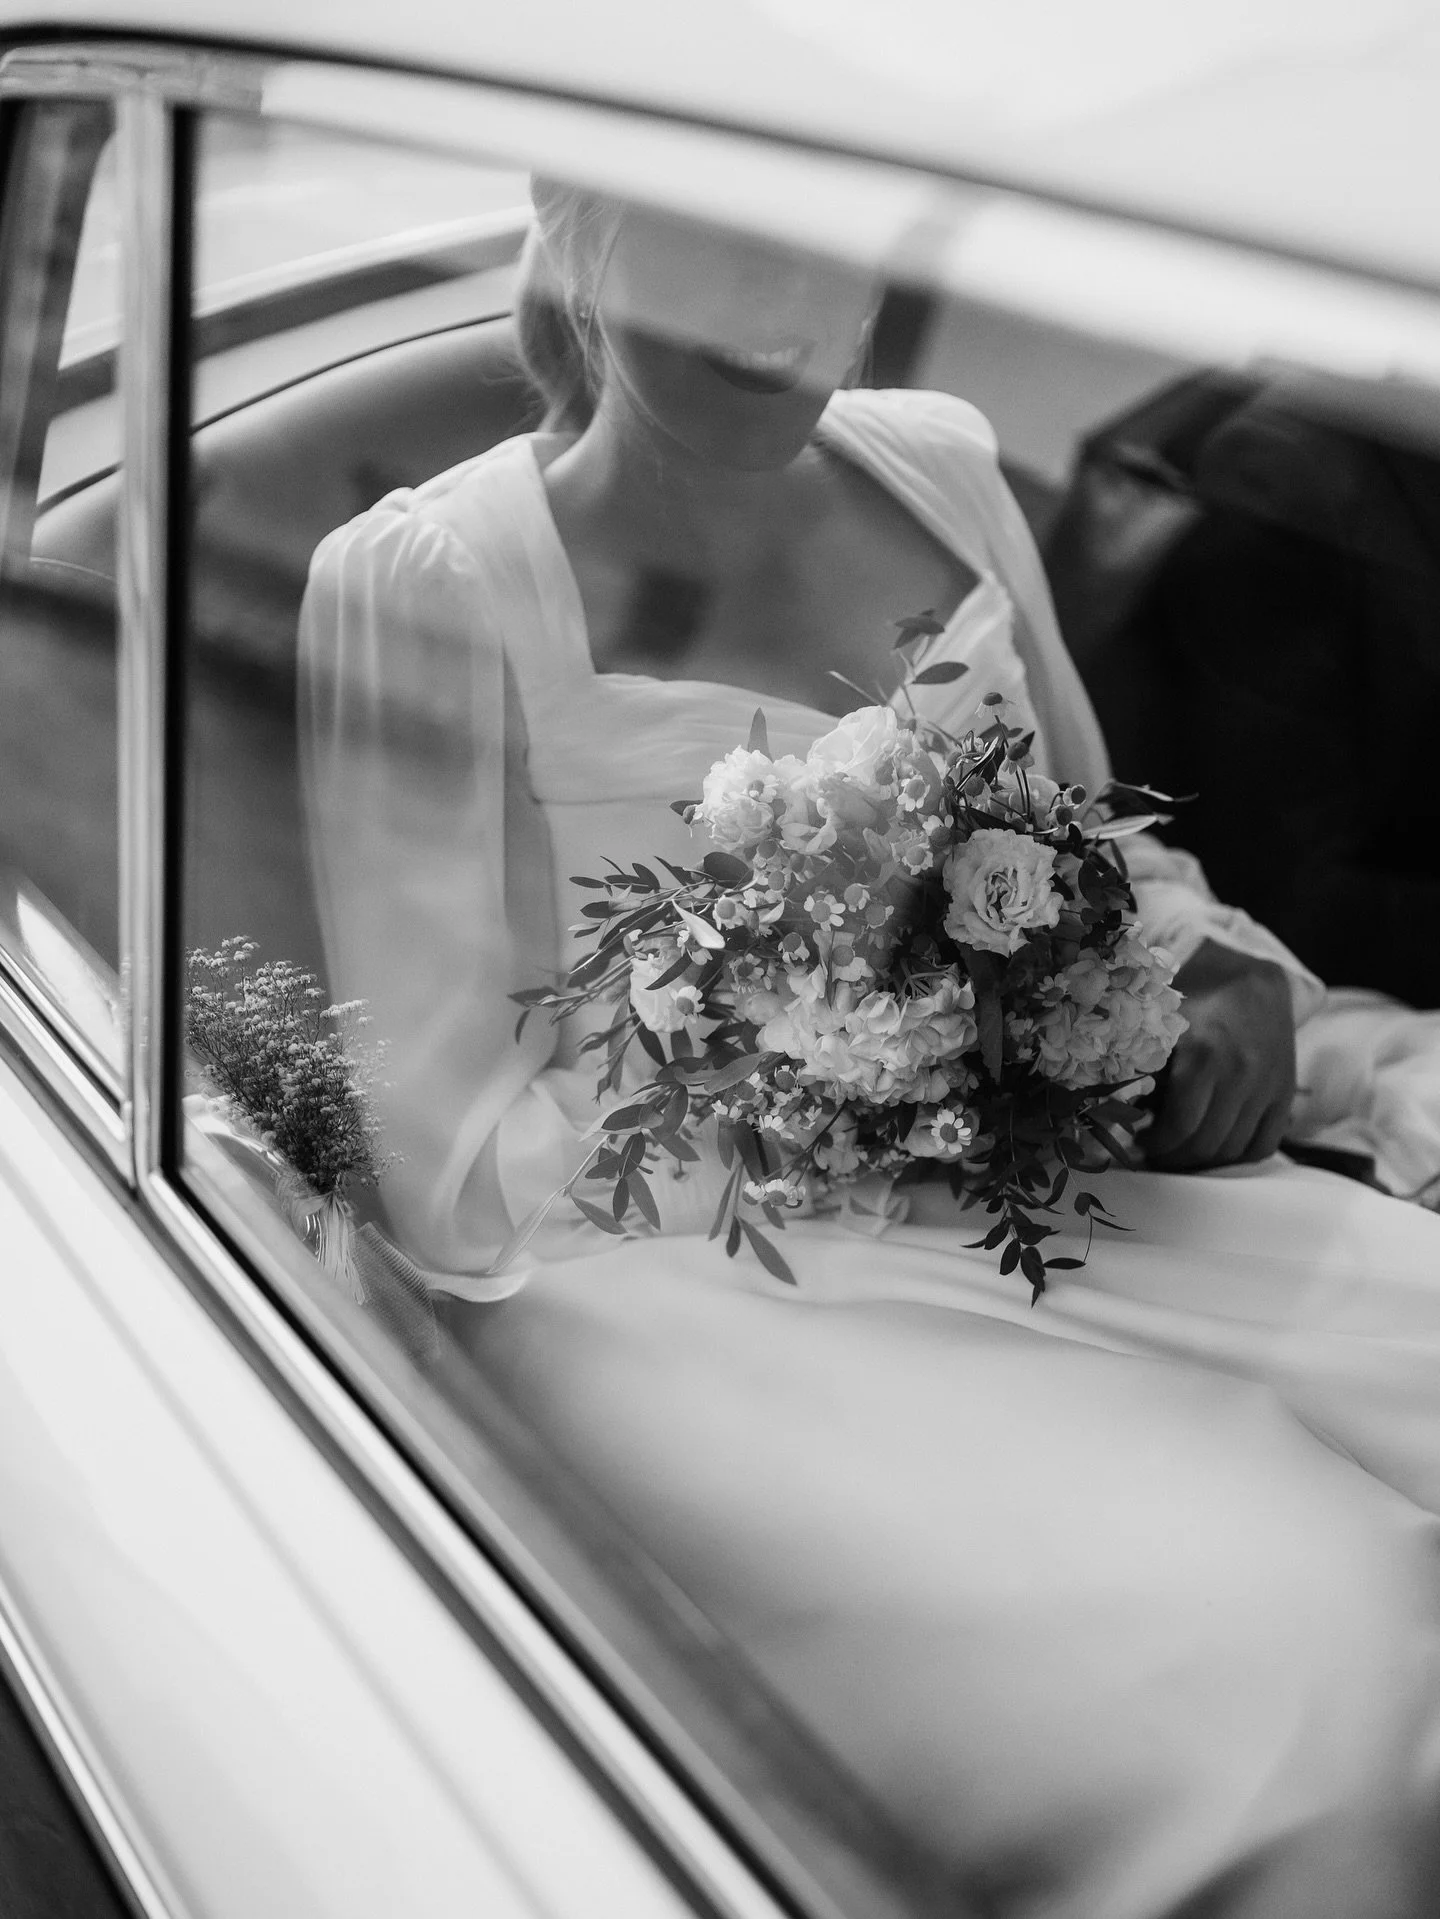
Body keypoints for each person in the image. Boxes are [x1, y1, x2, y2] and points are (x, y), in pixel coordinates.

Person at [298, 183, 1440, 1918]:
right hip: (675, 1275)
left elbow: (1097, 843)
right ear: (575, 222)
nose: (792, 295)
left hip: (1045, 1175)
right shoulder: (425, 582)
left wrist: (1207, 973)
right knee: (1300, 1643)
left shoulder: (938, 459)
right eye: (717, 227)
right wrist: (855, 1064)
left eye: (830, 228)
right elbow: (451, 1179)